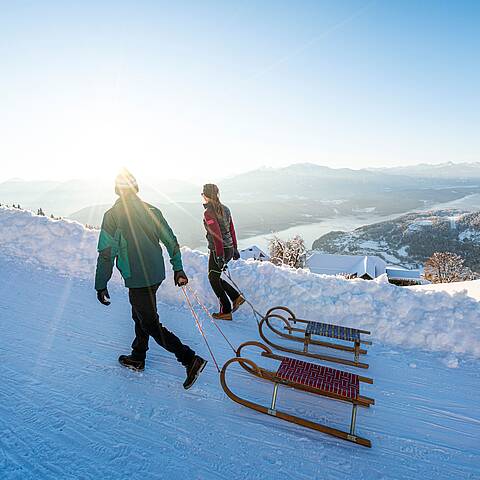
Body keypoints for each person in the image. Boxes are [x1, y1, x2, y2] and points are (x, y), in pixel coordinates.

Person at [94, 169, 206, 389]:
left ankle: (189, 359)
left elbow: (107, 253)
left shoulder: (112, 216)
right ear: (135, 188)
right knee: (140, 314)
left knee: (150, 323)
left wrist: (100, 284)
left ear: (117, 190)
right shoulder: (151, 210)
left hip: (137, 276)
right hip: (156, 273)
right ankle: (138, 356)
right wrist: (178, 268)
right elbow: (171, 241)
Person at [202, 183, 245, 320]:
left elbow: (216, 235)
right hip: (228, 248)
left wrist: (219, 255)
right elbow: (231, 230)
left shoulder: (209, 213)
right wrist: (235, 248)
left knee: (213, 279)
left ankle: (226, 310)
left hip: (218, 250)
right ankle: (236, 297)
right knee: (215, 277)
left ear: (206, 196)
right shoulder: (226, 209)